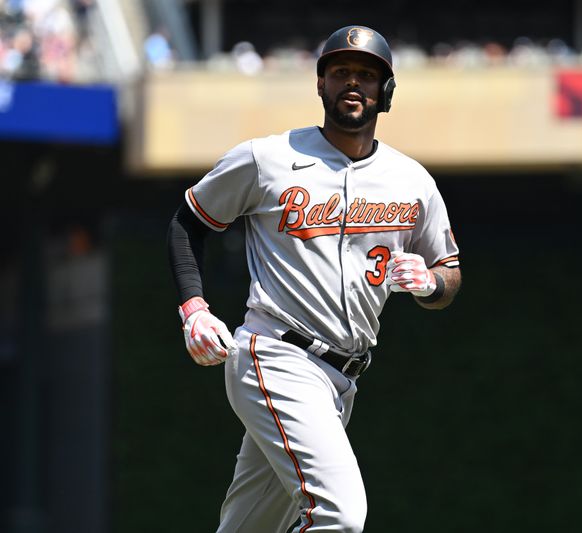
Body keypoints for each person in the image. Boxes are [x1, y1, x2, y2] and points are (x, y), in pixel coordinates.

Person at [167, 25, 461, 533]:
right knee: (340, 517)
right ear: (321, 85)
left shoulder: (412, 180)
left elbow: (449, 271)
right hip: (276, 355)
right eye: (341, 71)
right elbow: (188, 223)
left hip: (343, 378)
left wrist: (431, 283)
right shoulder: (267, 158)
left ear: (384, 92)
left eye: (367, 75)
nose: (353, 83)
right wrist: (194, 307)